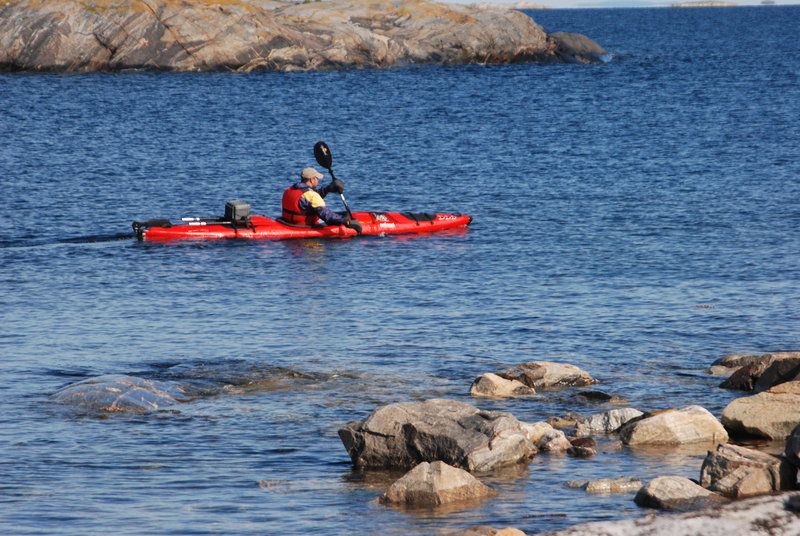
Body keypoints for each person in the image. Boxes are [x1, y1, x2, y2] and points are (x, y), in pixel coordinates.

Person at [281, 167, 362, 233]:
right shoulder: (312, 195)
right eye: (317, 178)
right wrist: (346, 222)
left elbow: (308, 199)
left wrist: (327, 189)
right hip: (304, 227)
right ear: (312, 179)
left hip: (288, 222)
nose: (318, 180)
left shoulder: (290, 190)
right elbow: (326, 215)